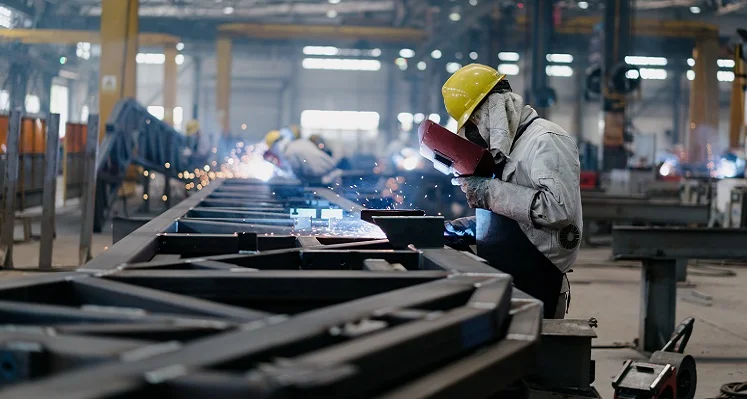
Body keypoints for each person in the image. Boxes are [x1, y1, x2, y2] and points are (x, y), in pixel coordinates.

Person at [441, 64, 582, 319]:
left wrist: (486, 191)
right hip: (511, 272)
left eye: (475, 120)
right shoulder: (513, 147)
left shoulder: (546, 139)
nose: (474, 131)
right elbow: (522, 214)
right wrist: (476, 226)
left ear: (495, 108)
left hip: (540, 278)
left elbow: (557, 209)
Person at [265, 129, 341, 185]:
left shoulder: (289, 152)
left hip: (328, 180)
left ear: (275, 146)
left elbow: (297, 177)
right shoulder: (299, 143)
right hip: (332, 176)